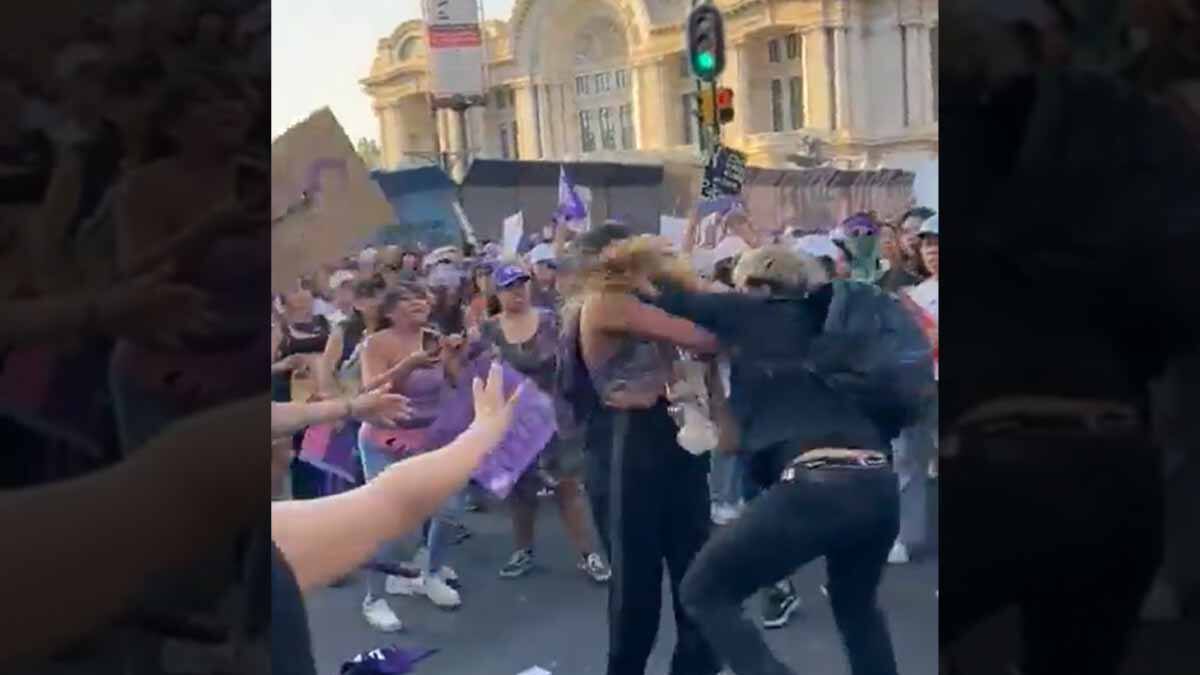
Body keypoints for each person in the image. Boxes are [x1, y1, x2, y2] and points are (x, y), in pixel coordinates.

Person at [640, 244, 920, 675]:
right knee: (857, 609)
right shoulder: (836, 333)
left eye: (738, 286)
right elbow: (732, 442)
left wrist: (615, 267)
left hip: (819, 485)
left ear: (757, 285)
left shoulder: (753, 310)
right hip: (879, 489)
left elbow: (656, 296)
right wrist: (714, 379)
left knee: (702, 589)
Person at [560, 224, 722, 675]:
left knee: (698, 572)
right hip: (625, 443)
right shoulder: (607, 302)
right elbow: (704, 338)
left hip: (669, 438)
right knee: (637, 587)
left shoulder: (643, 299)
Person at [479, 263, 611, 583]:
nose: (518, 292)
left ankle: (588, 554)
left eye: (522, 284)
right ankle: (523, 551)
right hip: (515, 422)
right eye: (510, 287)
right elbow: (481, 376)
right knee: (521, 493)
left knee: (568, 487)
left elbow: (576, 361)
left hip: (556, 417)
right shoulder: (489, 330)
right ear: (497, 293)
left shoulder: (551, 321)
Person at [356, 282, 468, 629]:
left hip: (430, 438)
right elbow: (369, 391)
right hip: (385, 442)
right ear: (390, 311)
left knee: (450, 508)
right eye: (409, 298)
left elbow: (454, 379)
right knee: (391, 525)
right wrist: (409, 363)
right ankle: (375, 598)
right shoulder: (375, 343)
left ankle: (430, 574)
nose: (420, 302)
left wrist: (457, 355)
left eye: (422, 296)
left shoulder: (433, 335)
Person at [527, 242, 560, 308]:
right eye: (540, 264)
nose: (545, 268)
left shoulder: (560, 287)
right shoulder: (526, 289)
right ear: (532, 267)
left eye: (548, 264)